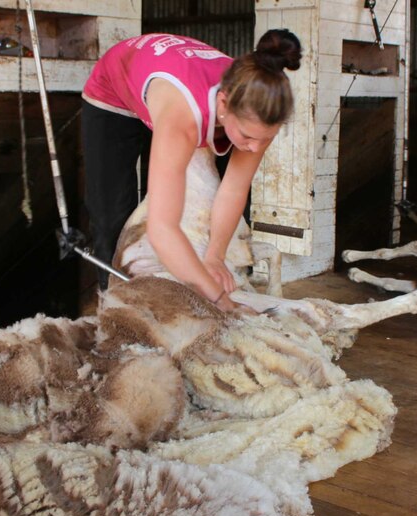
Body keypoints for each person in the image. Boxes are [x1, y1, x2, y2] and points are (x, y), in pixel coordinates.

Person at [81, 30, 302, 311]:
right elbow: (162, 229)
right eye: (248, 136)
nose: (255, 146)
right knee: (111, 212)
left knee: (231, 211)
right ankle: (118, 310)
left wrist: (215, 256)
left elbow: (234, 188)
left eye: (266, 137)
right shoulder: (183, 118)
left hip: (182, 85)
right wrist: (220, 301)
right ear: (223, 104)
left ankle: (233, 277)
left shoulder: (258, 109)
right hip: (116, 91)